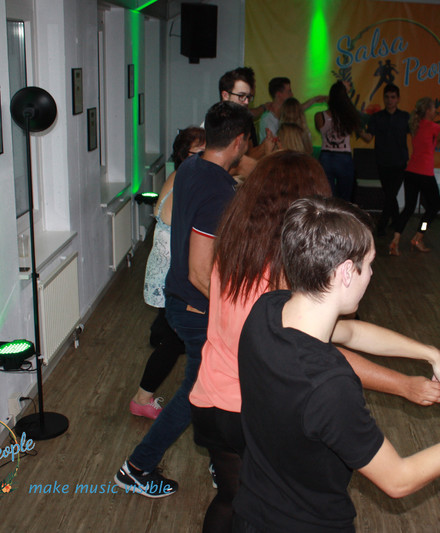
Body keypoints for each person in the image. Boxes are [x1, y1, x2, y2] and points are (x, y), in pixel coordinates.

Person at [189, 151, 440, 532]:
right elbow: (321, 359)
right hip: (245, 407)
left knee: (234, 499)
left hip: (210, 395)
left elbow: (341, 338)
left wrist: (427, 353)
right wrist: (405, 384)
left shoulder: (240, 257)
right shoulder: (278, 289)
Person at [232, 196, 440, 532]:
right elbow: (398, 479)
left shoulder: (267, 311)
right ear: (346, 272)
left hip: (251, 512)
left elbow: (351, 332)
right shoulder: (329, 385)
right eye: (370, 263)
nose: (372, 273)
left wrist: (430, 352)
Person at [113, 101, 253, 498]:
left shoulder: (191, 167)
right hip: (195, 305)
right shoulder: (218, 189)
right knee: (196, 393)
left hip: (180, 299)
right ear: (239, 141)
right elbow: (198, 271)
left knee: (211, 388)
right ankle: (137, 467)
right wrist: (237, 310)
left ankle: (220, 463)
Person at [130, 127, 205, 419]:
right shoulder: (186, 180)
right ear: (184, 155)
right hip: (171, 274)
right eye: (198, 152)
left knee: (172, 332)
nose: (205, 157)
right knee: (175, 340)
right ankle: (141, 398)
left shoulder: (180, 176)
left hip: (169, 271)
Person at [388, 97, 440, 255]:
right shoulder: (433, 127)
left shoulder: (415, 126)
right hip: (425, 174)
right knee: (434, 206)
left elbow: (433, 144)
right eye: (434, 108)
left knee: (408, 208)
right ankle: (419, 236)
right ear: (429, 111)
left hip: (411, 172)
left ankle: (395, 240)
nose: (435, 111)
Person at [363, 83, 410, 236]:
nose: (390, 100)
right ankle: (396, 220)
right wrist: (356, 128)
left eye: (393, 97)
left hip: (400, 162)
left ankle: (381, 225)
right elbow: (368, 137)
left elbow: (417, 133)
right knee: (390, 194)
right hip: (382, 161)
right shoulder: (377, 117)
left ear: (398, 99)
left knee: (390, 194)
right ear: (383, 98)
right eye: (387, 97)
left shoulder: (405, 117)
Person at [315, 80, 370, 201]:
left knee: (327, 197)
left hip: (326, 156)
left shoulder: (319, 116)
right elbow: (364, 135)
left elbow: (320, 128)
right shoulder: (350, 116)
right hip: (344, 157)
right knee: (344, 198)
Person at [256, 77, 325, 143]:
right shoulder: (267, 118)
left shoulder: (286, 112)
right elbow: (274, 144)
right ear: (279, 95)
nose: (292, 94)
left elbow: (299, 108)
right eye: (289, 91)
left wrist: (314, 100)